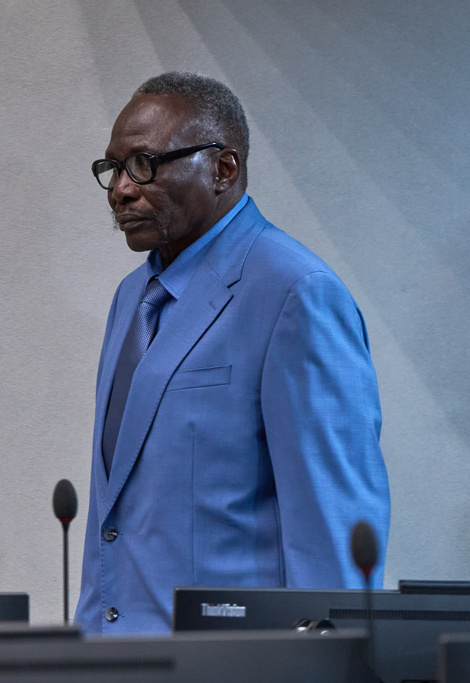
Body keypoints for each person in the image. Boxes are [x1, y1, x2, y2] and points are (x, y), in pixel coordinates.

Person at [75, 72, 391, 635]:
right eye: (113, 168)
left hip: (232, 660)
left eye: (144, 164)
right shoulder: (132, 297)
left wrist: (328, 659)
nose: (121, 189)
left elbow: (333, 526)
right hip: (117, 659)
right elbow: (116, 516)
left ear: (223, 168)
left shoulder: (295, 292)